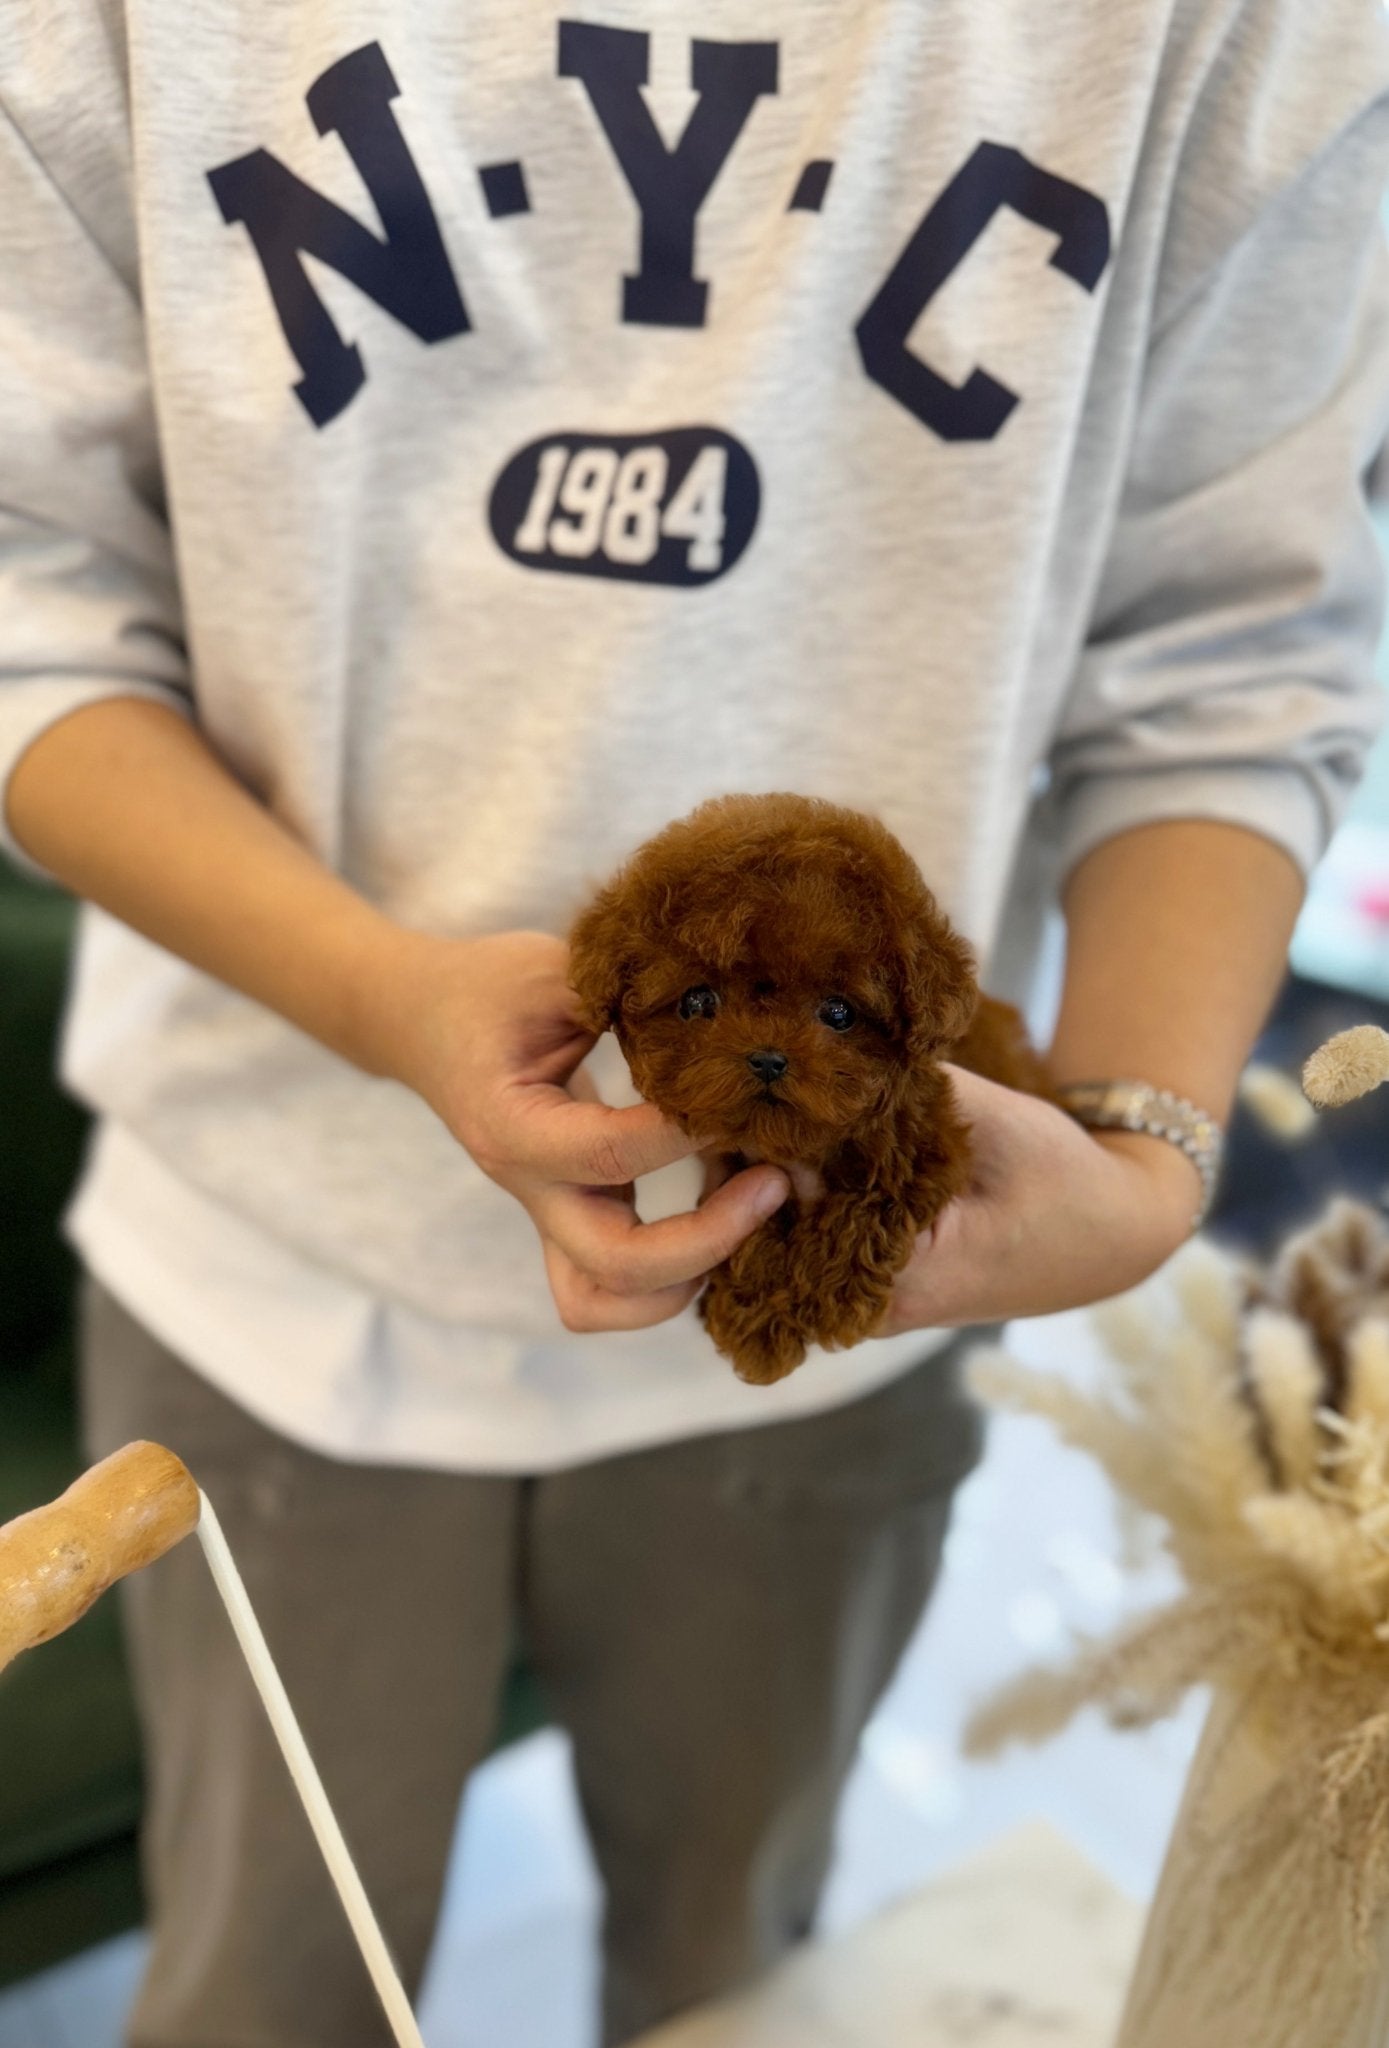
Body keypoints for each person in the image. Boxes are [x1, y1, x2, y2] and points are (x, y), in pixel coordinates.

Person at [2, 2, 1388, 2042]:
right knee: (261, 1987)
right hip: (270, 1254)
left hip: (852, 1306)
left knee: (734, 1958)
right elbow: (37, 602)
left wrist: (1137, 1152)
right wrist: (382, 998)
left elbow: (1232, 646)